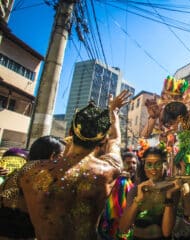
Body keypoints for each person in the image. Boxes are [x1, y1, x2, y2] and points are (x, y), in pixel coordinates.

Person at [18, 90, 131, 239]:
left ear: (71, 132)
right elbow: (115, 139)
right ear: (103, 139)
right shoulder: (109, 170)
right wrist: (113, 111)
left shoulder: (30, 172)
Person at [0, 135, 65, 239]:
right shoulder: (38, 175)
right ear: (53, 156)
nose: (64, 162)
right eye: (62, 157)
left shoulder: (21, 171)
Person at [119, 147, 181, 240]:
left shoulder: (171, 190)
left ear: (165, 165)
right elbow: (123, 229)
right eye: (149, 164)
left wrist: (168, 196)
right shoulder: (136, 190)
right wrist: (138, 199)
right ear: (144, 166)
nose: (153, 169)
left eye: (158, 164)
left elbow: (167, 232)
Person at [98, 151, 138, 240]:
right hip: (116, 228)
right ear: (122, 164)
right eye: (128, 163)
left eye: (134, 163)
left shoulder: (132, 181)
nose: (132, 165)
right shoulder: (121, 181)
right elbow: (117, 209)